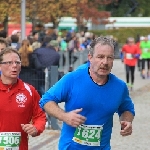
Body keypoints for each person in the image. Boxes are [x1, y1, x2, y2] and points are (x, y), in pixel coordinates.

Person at [39, 36, 135, 150]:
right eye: (100, 57)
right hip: (71, 147)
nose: (105, 62)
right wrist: (64, 116)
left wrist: (126, 120)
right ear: (90, 57)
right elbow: (45, 100)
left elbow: (127, 108)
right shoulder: (73, 79)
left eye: (109, 58)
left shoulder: (119, 86)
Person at [0, 48, 46, 150]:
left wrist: (36, 128)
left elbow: (40, 116)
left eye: (17, 62)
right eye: (9, 63)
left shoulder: (29, 90)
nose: (14, 66)